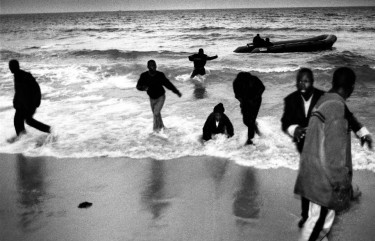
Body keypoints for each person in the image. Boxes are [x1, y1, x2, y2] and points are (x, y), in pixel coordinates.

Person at [281, 68, 372, 228]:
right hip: (311, 153)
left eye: (307, 80)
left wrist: (361, 132)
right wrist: (294, 129)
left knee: (318, 207)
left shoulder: (323, 97)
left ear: (312, 81)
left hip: (318, 155)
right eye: (300, 80)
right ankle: (309, 220)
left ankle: (312, 220)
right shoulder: (291, 100)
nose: (303, 83)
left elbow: (347, 114)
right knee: (317, 211)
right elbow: (285, 122)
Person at [8, 59, 51, 139]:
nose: (10, 68)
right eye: (10, 66)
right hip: (22, 105)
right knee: (18, 121)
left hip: (29, 104)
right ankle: (23, 139)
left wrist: (37, 100)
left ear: (16, 66)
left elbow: (36, 87)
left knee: (28, 120)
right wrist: (15, 101)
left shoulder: (25, 75)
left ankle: (49, 130)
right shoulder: (17, 75)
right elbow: (19, 91)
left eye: (11, 66)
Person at [136, 60, 182, 132]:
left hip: (161, 97)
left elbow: (168, 84)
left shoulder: (160, 75)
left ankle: (155, 130)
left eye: (154, 65)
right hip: (152, 98)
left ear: (156, 66)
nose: (153, 67)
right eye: (151, 65)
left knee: (156, 113)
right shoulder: (144, 76)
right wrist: (144, 88)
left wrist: (176, 92)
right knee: (156, 114)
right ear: (148, 67)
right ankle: (162, 127)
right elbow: (138, 86)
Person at [233, 72, 265, 145]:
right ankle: (256, 130)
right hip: (244, 101)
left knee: (251, 120)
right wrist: (242, 100)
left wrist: (255, 98)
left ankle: (250, 140)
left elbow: (262, 88)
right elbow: (236, 95)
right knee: (246, 121)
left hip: (256, 101)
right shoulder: (236, 82)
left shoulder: (254, 79)